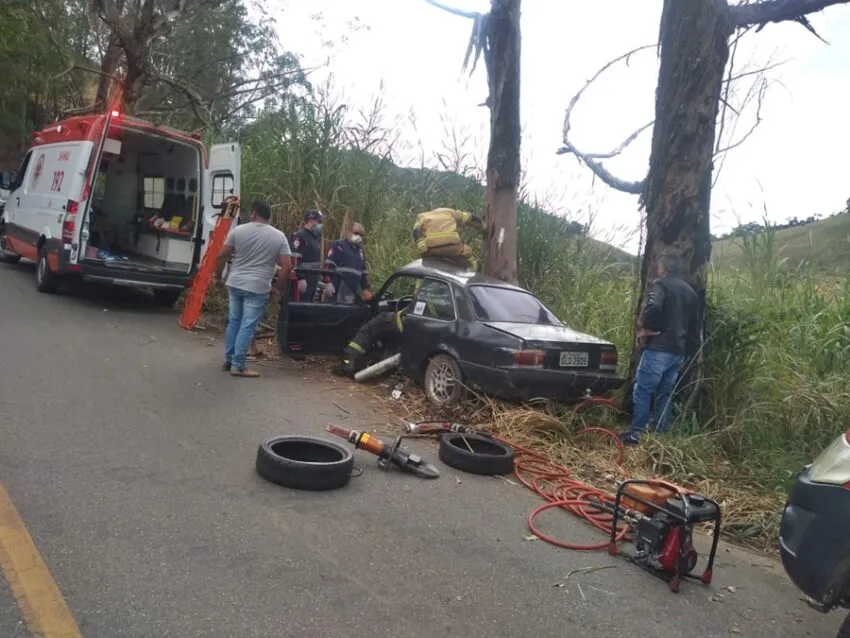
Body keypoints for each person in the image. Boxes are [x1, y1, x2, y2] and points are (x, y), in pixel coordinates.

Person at [619, 250, 698, 445]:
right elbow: (695, 325)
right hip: (678, 351)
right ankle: (660, 433)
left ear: (663, 268)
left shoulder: (661, 284)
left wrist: (648, 329)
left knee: (643, 390)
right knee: (665, 392)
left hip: (659, 348)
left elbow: (653, 307)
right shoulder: (690, 292)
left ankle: (637, 433)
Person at [214, 200, 292, 378]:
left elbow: (222, 254)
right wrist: (278, 287)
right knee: (247, 325)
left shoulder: (239, 231)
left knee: (234, 321)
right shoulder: (279, 236)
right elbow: (286, 266)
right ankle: (238, 365)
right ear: (268, 216)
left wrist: (217, 276)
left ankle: (229, 359)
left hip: (235, 283)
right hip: (257, 287)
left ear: (254, 214)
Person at [413, 207, 484, 270]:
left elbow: (416, 231)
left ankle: (419, 282)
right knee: (470, 257)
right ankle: (474, 273)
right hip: (453, 247)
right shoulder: (449, 212)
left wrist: (423, 249)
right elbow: (469, 217)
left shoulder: (422, 216)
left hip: (431, 250)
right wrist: (482, 226)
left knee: (424, 268)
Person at [323, 222, 372, 304]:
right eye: (356, 233)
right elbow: (328, 264)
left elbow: (363, 272)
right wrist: (328, 282)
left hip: (353, 291)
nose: (358, 236)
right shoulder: (339, 245)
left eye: (361, 235)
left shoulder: (360, 252)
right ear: (349, 232)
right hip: (337, 289)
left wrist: (365, 289)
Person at [290, 208, 324, 302]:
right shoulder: (300, 236)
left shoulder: (312, 238)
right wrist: (300, 278)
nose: (321, 225)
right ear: (311, 220)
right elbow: (295, 258)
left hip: (312, 280)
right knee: (299, 307)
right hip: (303, 280)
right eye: (319, 221)